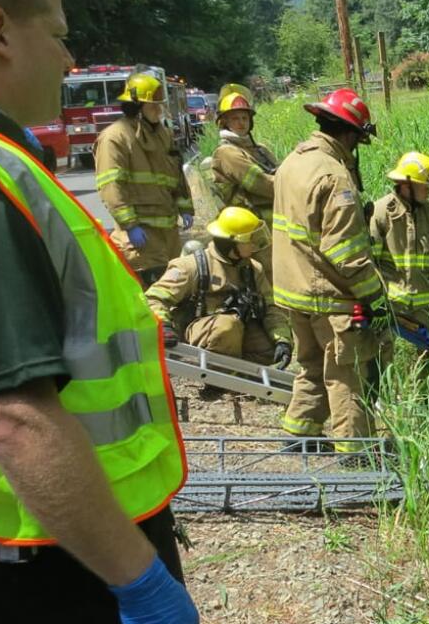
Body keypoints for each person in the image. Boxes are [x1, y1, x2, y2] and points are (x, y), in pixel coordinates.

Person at [0, 0, 212, 624]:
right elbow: (12, 415)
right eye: (58, 34)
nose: (69, 57)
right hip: (62, 562)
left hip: (43, 545)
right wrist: (136, 578)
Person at [272, 88, 386, 453]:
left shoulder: (293, 160)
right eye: (357, 142)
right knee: (347, 373)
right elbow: (346, 252)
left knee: (310, 364)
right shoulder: (334, 176)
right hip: (328, 296)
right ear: (349, 134)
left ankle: (299, 432)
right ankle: (355, 454)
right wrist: (376, 297)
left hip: (292, 289)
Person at [146, 205, 291, 369]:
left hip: (236, 329)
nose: (253, 245)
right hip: (199, 330)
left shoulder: (253, 269)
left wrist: (282, 340)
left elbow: (270, 308)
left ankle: (240, 374)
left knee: (267, 347)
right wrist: (163, 326)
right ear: (231, 243)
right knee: (227, 327)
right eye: (249, 240)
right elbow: (154, 298)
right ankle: (218, 371)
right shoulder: (191, 267)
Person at [94, 65, 194, 285]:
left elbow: (175, 174)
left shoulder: (162, 134)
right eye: (153, 105)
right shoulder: (115, 138)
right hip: (141, 239)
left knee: (174, 292)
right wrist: (130, 225)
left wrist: (185, 208)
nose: (159, 110)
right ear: (137, 106)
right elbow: (112, 185)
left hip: (169, 235)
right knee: (150, 298)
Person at [369, 150, 429, 354]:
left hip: (428, 307)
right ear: (406, 184)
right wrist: (374, 301)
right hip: (392, 306)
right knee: (381, 355)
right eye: (425, 184)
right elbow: (369, 261)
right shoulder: (381, 212)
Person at [210, 83, 278, 273]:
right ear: (224, 122)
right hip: (248, 231)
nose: (241, 123)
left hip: (272, 226)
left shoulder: (260, 149)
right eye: (235, 118)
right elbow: (262, 185)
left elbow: (280, 172)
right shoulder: (227, 153)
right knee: (265, 275)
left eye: (245, 117)